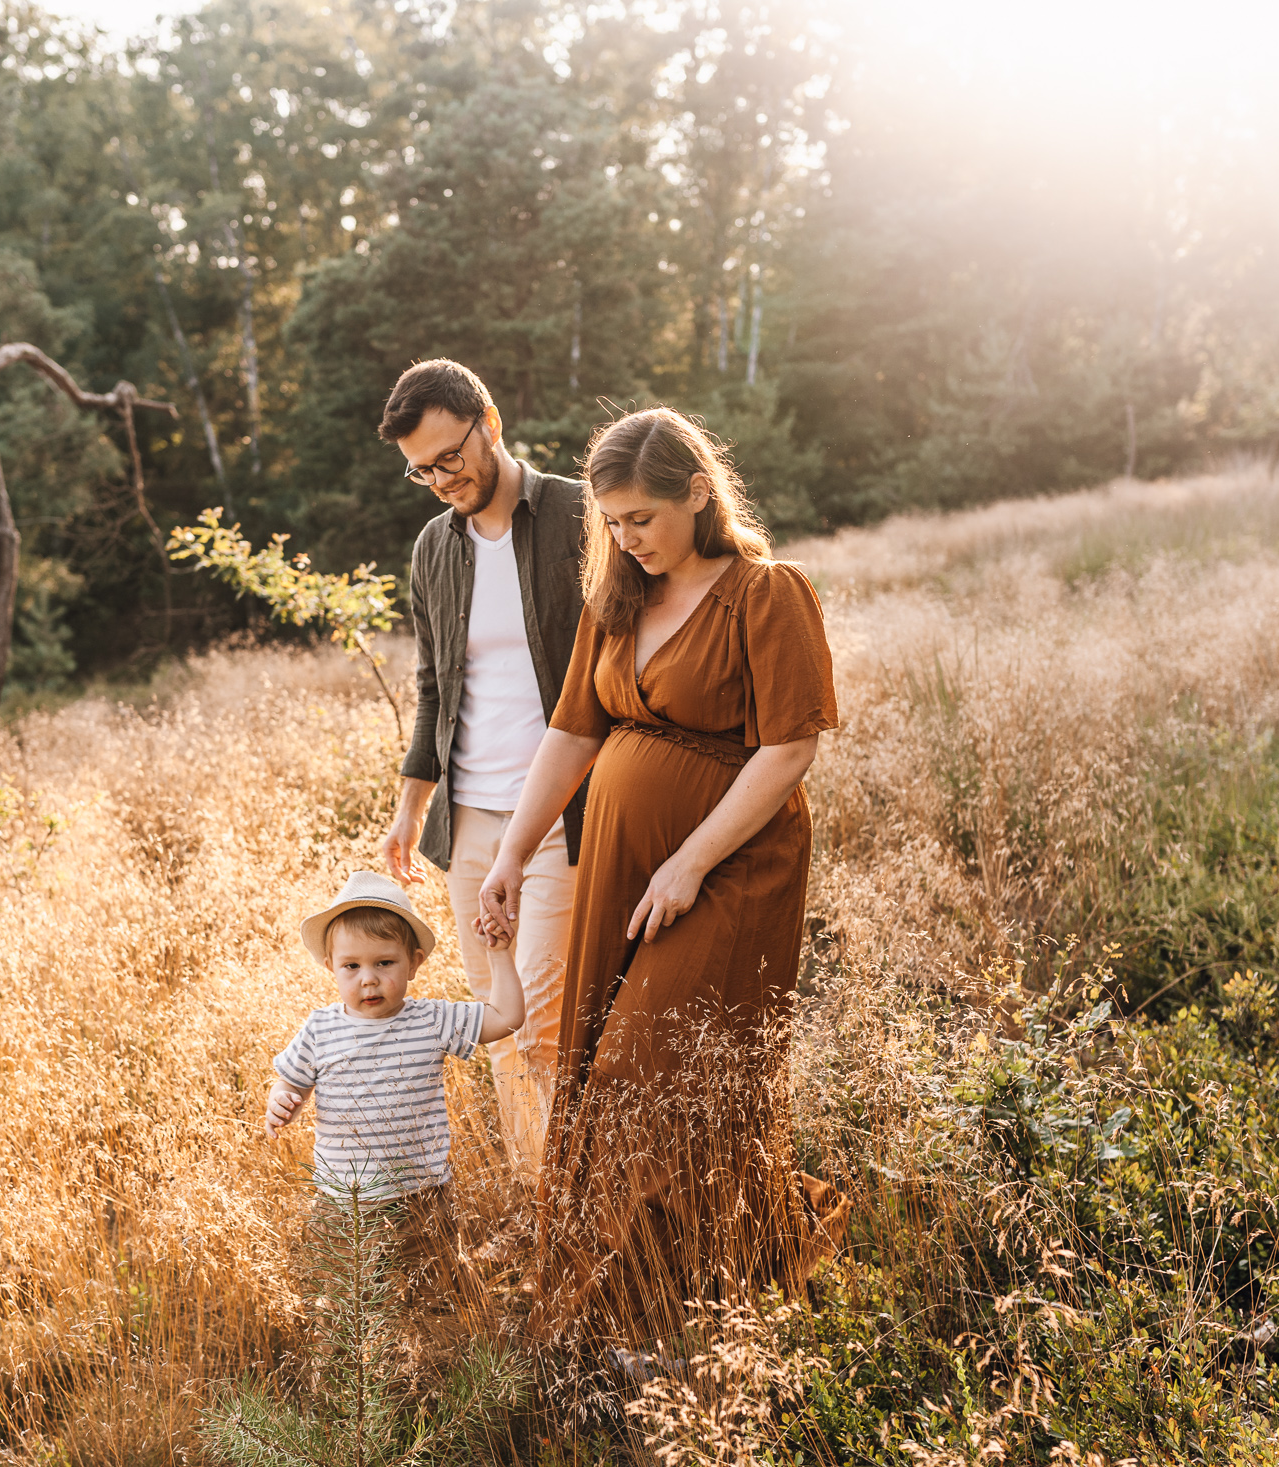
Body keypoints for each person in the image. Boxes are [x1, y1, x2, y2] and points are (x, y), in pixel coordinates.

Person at [477, 406, 849, 1344]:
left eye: (640, 517)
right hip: (620, 865)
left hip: (729, 866)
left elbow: (789, 747)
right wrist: (512, 852)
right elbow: (573, 732)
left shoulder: (768, 593)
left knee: (660, 1067)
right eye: (611, 520)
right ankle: (647, 1299)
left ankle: (694, 1285)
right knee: (608, 1070)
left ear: (697, 492)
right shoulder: (621, 602)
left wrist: (690, 859)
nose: (625, 537)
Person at [377, 359, 588, 1185]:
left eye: (448, 456)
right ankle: (539, 1197)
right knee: (498, 1022)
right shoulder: (435, 547)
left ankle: (559, 1198)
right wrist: (409, 808)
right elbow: (433, 686)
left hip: (564, 814)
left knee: (537, 1018)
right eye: (419, 470)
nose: (438, 479)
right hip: (470, 824)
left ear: (490, 423)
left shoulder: (579, 514)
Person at [267, 871, 525, 1209]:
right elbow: (292, 1084)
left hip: (421, 1198)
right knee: (347, 1265)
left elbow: (506, 1018)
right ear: (331, 967)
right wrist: (283, 1100)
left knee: (429, 1264)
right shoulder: (320, 1029)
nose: (369, 979)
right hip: (344, 1203)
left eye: (384, 962)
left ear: (413, 963)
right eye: (352, 966)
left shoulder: (431, 1020)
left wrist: (499, 954)